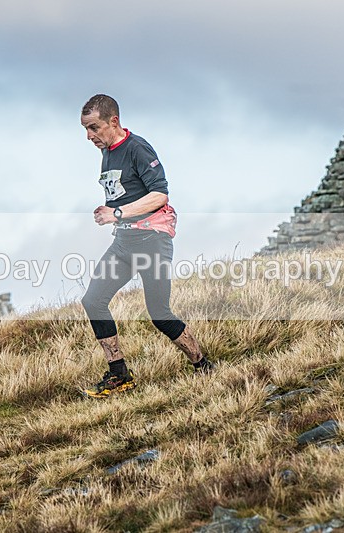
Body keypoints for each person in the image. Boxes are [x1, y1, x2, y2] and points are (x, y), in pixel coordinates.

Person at [79, 94, 213, 399]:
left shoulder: (137, 148)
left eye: (94, 128)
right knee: (93, 301)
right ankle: (119, 374)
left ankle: (203, 364)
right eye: (86, 129)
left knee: (159, 312)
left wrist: (116, 213)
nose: (89, 136)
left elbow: (159, 195)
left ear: (113, 121)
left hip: (152, 240)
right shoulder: (107, 152)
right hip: (124, 243)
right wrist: (116, 212)